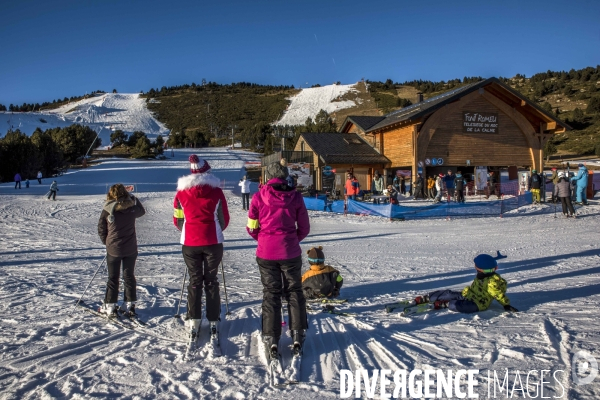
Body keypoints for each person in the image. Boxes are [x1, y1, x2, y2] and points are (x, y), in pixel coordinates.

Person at [247, 161, 309, 359]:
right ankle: (298, 334)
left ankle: (271, 337)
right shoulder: (296, 196)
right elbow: (305, 227)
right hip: (290, 251)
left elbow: (251, 227)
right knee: (294, 291)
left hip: (266, 252)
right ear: (285, 177)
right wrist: (290, 240)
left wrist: (264, 240)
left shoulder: (258, 197)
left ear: (268, 178)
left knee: (271, 293)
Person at [173, 155, 230, 341]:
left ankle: (194, 319)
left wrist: (188, 229)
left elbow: (177, 219)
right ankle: (213, 319)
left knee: (195, 280)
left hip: (190, 243)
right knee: (211, 280)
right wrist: (215, 229)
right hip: (213, 242)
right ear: (207, 172)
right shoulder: (217, 192)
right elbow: (224, 219)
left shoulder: (181, 193)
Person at [97, 184, 146, 318]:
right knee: (129, 276)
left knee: (113, 278)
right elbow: (142, 211)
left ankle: (110, 306)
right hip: (130, 248)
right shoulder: (131, 208)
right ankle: (129, 304)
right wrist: (133, 198)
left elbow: (101, 228)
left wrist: (106, 242)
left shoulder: (108, 209)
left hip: (114, 248)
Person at [411, 254, 518, 313]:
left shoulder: (492, 282)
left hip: (478, 303)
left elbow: (498, 294)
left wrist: (506, 304)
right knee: (448, 293)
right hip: (468, 295)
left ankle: (445, 304)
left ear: (480, 268)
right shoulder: (482, 275)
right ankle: (427, 298)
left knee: (459, 306)